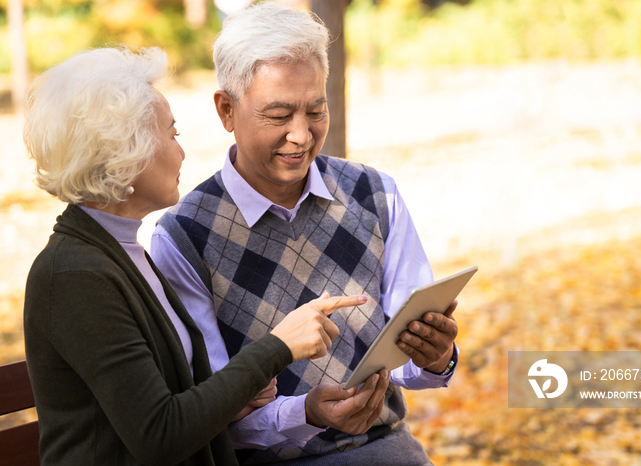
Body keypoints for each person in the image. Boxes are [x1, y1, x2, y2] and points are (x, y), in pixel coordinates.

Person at [22, 46, 368, 466]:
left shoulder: (123, 251)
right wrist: (277, 347)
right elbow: (160, 435)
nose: (181, 152)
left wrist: (239, 394)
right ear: (124, 151)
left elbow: (169, 402)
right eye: (171, 134)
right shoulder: (73, 275)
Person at [151, 3, 460, 465]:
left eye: (316, 109)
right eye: (279, 115)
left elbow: (411, 360)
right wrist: (307, 413)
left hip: (387, 449)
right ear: (226, 110)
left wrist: (435, 356)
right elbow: (207, 412)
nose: (301, 135)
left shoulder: (374, 194)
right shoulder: (184, 237)